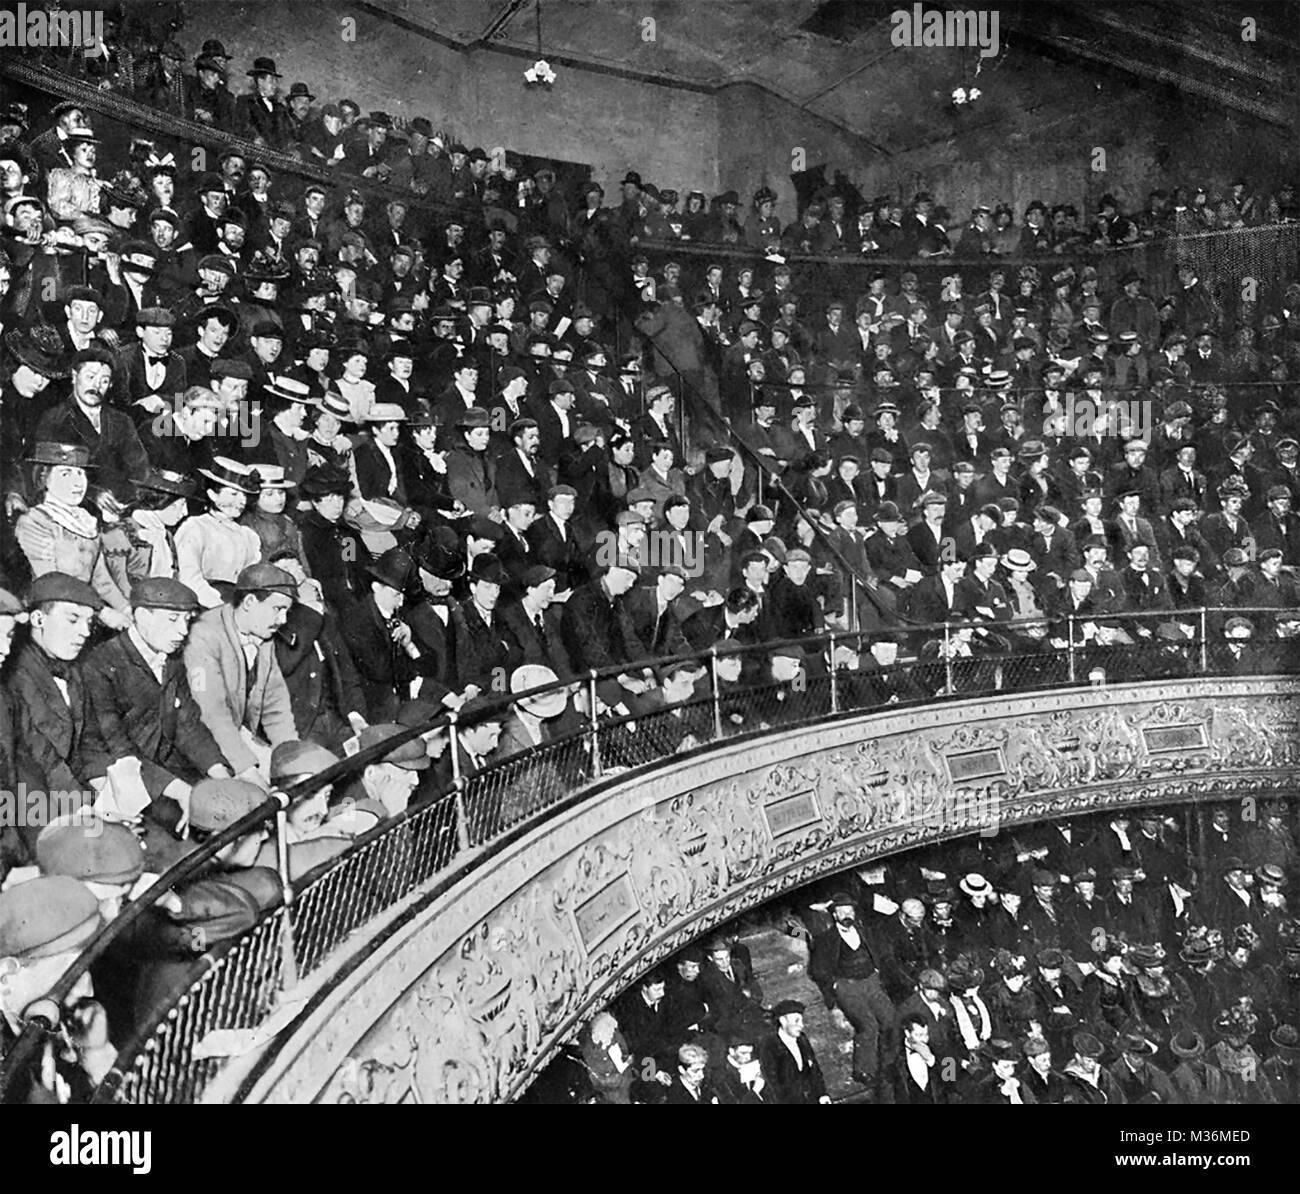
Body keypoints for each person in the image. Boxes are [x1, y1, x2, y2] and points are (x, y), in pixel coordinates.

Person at [182, 562, 298, 782]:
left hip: (236, 735)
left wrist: (291, 759)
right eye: (278, 609)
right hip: (205, 749)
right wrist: (246, 768)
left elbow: (275, 706)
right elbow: (212, 713)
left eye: (286, 611)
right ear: (250, 602)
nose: (283, 620)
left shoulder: (262, 633)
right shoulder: (204, 635)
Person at [808, 891, 897, 1097]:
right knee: (868, 1025)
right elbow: (817, 970)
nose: (847, 914)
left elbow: (879, 947)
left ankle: (889, 1061)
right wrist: (834, 990)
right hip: (848, 987)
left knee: (890, 1019)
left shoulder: (864, 930)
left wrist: (877, 971)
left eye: (850, 911)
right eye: (842, 912)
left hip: (871, 982)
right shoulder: (825, 939)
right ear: (835, 915)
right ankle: (864, 1070)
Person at [760, 1000, 831, 1104]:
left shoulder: (802, 1039)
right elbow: (773, 1085)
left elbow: (814, 1069)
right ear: (783, 1021)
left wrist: (822, 1094)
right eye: (796, 1021)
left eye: (802, 1021)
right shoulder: (770, 1045)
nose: (801, 1025)